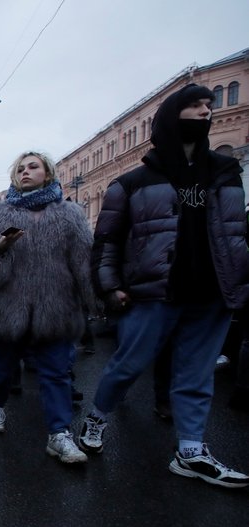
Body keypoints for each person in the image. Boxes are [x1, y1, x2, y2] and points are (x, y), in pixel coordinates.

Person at [79, 83, 249, 487]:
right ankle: (96, 418)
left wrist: (241, 280)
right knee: (128, 365)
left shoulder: (225, 172)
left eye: (209, 105)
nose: (206, 111)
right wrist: (110, 286)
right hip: (154, 292)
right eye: (194, 105)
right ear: (171, 116)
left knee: (196, 373)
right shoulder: (132, 182)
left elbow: (236, 232)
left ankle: (190, 451)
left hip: (212, 291)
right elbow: (108, 240)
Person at [0, 150, 93, 465]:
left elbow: (82, 262)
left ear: (48, 174)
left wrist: (90, 301)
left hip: (56, 307)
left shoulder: (70, 214)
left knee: (56, 373)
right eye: (20, 169)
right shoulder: (0, 213)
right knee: (5, 365)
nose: (25, 172)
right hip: (11, 306)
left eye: (33, 167)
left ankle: (59, 434)